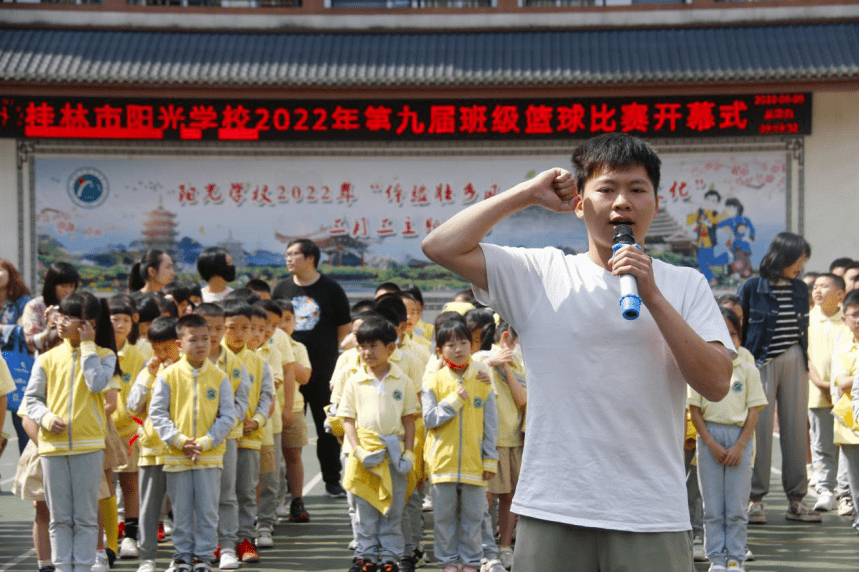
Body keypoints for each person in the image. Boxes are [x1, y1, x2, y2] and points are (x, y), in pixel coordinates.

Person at [421, 132, 733, 571]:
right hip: (554, 506)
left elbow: (717, 383)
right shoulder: (540, 273)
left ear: (656, 205)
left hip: (650, 512)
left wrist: (655, 298)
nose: (621, 203)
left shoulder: (685, 285)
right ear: (580, 204)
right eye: (606, 189)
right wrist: (527, 193)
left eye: (637, 190)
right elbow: (440, 246)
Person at [24, 292, 120, 572]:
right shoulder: (48, 357)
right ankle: (63, 566)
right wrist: (46, 418)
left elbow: (96, 384)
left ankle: (83, 566)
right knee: (60, 517)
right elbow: (32, 400)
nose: (60, 322)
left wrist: (89, 347)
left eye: (68, 317)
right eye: (60, 316)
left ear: (88, 323)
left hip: (89, 446)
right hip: (52, 449)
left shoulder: (105, 355)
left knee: (86, 516)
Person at [737, 232, 820, 523]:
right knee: (757, 430)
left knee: (797, 430)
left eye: (804, 260)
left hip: (796, 357)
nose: (802, 265)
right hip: (760, 361)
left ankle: (797, 500)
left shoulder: (799, 288)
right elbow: (741, 328)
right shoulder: (751, 288)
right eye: (798, 259)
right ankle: (755, 499)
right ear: (782, 256)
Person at [149, 314, 236, 572]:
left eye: (205, 339)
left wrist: (206, 442)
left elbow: (227, 415)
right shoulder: (169, 375)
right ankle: (183, 555)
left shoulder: (219, 377)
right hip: (178, 456)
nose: (201, 344)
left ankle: (204, 556)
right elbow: (158, 413)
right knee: (182, 509)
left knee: (208, 510)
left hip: (208, 456)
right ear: (179, 344)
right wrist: (179, 441)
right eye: (193, 339)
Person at [272, 238, 351, 498]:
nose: (289, 259)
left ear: (310, 259)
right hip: (286, 371)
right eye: (287, 254)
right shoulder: (281, 289)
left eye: (294, 254)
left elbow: (343, 329)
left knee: (325, 425)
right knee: (285, 424)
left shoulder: (331, 289)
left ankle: (332, 479)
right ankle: (285, 485)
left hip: (322, 369)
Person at [690, 308, 768, 572]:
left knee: (735, 507)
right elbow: (695, 410)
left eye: (732, 334)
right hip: (709, 437)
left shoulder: (747, 369)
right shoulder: (700, 368)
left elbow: (755, 409)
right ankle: (716, 558)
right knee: (712, 507)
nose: (726, 339)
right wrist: (711, 443)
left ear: (739, 336)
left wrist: (739, 446)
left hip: (739, 438)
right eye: (719, 333)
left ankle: (735, 557)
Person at [340, 316, 419, 572]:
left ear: (390, 348)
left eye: (373, 346)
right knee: (365, 508)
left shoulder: (403, 381)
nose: (366, 352)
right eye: (362, 346)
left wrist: (408, 452)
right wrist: (358, 450)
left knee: (393, 509)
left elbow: (409, 420)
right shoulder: (354, 381)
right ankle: (365, 555)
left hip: (393, 453)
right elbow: (347, 419)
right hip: (365, 453)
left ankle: (390, 556)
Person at [422, 319, 497, 572]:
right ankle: (448, 562)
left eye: (463, 342)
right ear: (439, 351)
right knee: (443, 519)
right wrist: (453, 401)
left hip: (474, 463)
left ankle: (471, 562)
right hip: (442, 463)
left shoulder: (483, 379)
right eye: (450, 344)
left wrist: (490, 459)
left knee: (473, 518)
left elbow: (491, 425)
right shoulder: (433, 381)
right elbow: (429, 419)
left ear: (472, 345)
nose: (458, 349)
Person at [192, 303, 249, 572]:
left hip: (226, 439)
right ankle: (201, 546)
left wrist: (220, 428)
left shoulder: (236, 364)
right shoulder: (185, 364)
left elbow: (241, 402)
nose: (213, 335)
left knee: (226, 494)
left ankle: (227, 545)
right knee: (196, 497)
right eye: (207, 328)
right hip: (192, 442)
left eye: (218, 328)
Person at [222, 299, 273, 563]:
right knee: (220, 493)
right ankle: (221, 542)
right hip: (218, 439)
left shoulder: (258, 361)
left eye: (246, 327)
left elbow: (267, 396)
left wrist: (259, 420)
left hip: (249, 436)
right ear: (222, 328)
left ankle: (244, 539)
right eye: (233, 327)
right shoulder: (214, 358)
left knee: (245, 490)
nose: (240, 333)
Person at [126, 316, 179, 572]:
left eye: (167, 348)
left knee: (182, 508)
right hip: (151, 451)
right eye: (157, 349)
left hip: (181, 452)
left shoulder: (190, 371)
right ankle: (147, 558)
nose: (162, 354)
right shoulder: (149, 371)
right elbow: (132, 406)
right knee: (149, 508)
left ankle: (181, 555)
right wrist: (149, 376)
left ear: (179, 344)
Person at [107, 294, 147, 560]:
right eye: (114, 319)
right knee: (105, 487)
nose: (120, 325)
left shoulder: (138, 355)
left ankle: (131, 536)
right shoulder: (100, 352)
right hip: (102, 430)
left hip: (130, 430)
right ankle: (108, 537)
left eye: (125, 320)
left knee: (130, 483)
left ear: (132, 323)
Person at [806, 274, 849, 513]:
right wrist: (819, 381)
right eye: (816, 286)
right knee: (821, 443)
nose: (817, 290)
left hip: (846, 394)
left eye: (824, 286)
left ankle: (845, 492)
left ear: (840, 294)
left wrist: (838, 385)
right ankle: (825, 490)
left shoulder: (847, 319)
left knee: (846, 442)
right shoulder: (808, 320)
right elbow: (806, 356)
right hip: (817, 392)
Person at [831, 289, 859, 532]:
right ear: (845, 319)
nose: (858, 320)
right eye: (854, 315)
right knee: (855, 477)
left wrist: (853, 380)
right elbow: (842, 383)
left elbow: (849, 382)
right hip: (851, 422)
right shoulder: (842, 350)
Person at [0, 257, 33, 453]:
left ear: (11, 274)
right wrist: (12, 328)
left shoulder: (23, 301)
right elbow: (17, 329)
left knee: (23, 422)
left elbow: (28, 331)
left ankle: (27, 473)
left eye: (1, 270)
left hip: (17, 366)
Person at [22, 262, 79, 355]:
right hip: (46, 362)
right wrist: (50, 328)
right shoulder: (35, 306)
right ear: (51, 284)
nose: (68, 290)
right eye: (63, 286)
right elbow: (31, 342)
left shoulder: (78, 305)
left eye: (71, 286)